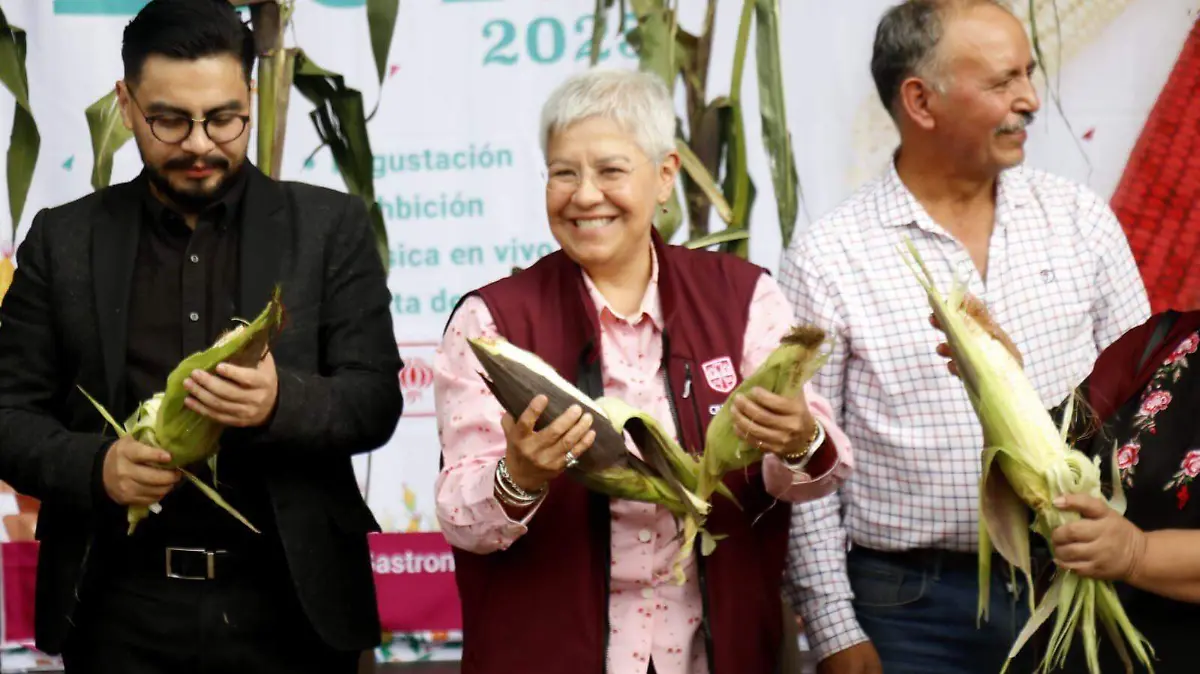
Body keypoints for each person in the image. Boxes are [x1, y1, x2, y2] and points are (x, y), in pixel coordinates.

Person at [0, 1, 403, 672]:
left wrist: (280, 403)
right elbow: (8, 414)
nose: (198, 144)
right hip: (117, 612)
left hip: (293, 611)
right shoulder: (63, 241)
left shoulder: (328, 228)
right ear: (125, 104)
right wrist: (96, 467)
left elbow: (375, 400)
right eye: (169, 120)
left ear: (250, 98)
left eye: (223, 118)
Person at [432, 68, 854, 674]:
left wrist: (798, 439)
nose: (584, 196)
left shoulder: (744, 299)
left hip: (716, 654)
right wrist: (517, 477)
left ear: (665, 176)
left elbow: (815, 473)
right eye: (563, 173)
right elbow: (459, 516)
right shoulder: (491, 321)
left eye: (610, 171)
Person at [777, 1, 1151, 673]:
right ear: (921, 101)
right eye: (1003, 81)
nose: (1030, 99)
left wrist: (1137, 551)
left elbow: (1149, 409)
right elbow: (805, 459)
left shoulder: (1079, 220)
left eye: (1028, 73)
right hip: (910, 609)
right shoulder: (829, 257)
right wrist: (834, 629)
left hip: (1074, 576)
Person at [938, 306, 1200, 674]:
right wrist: (1001, 383)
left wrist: (1136, 553)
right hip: (1085, 653)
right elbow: (1045, 476)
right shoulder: (1159, 343)